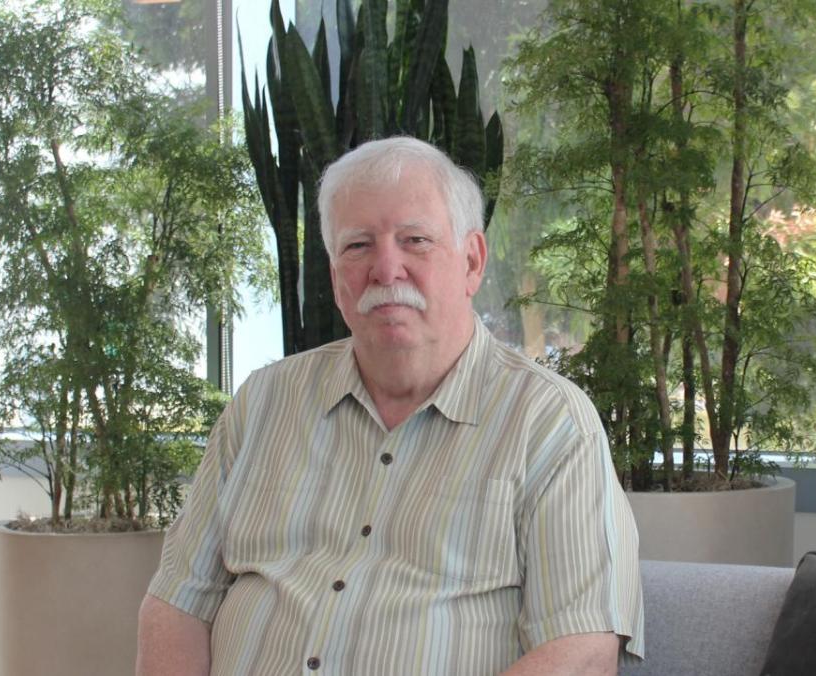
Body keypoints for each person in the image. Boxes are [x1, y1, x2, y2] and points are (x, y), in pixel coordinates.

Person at [136, 137, 644, 675]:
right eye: (357, 246)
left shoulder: (551, 423)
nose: (386, 268)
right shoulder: (262, 403)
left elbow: (582, 651)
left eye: (415, 240)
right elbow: (178, 603)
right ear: (335, 280)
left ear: (471, 261)